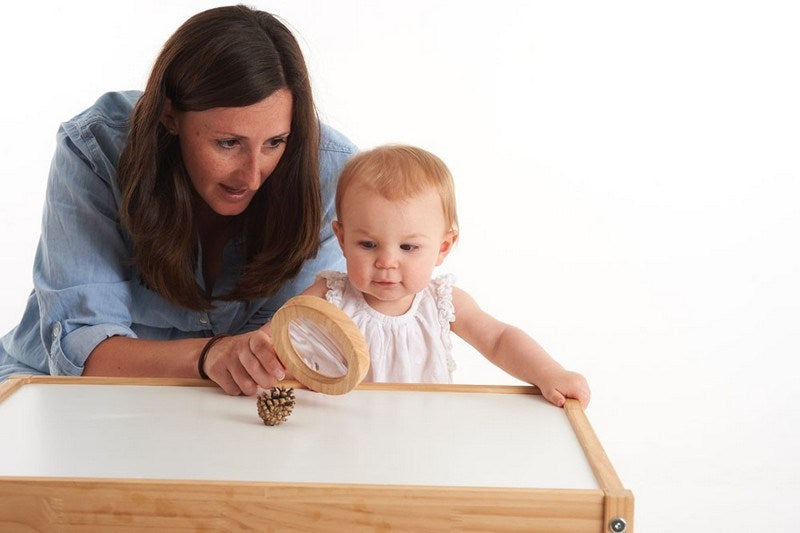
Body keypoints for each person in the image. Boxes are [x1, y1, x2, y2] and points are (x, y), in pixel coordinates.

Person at [0, 5, 356, 396]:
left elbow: (287, 349)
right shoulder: (95, 150)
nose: (252, 175)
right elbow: (81, 352)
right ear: (170, 116)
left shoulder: (333, 175)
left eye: (275, 143)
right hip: (52, 388)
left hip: (224, 406)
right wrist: (210, 356)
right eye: (228, 143)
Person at [296, 145, 590, 408]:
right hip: (343, 439)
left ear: (442, 247)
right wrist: (261, 354)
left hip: (426, 437)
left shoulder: (440, 302)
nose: (386, 262)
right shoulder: (328, 297)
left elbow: (498, 339)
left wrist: (549, 373)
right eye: (368, 245)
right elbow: (276, 337)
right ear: (342, 239)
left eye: (408, 247)